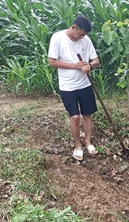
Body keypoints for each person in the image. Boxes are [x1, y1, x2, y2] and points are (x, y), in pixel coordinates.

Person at [48, 15, 100, 161]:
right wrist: (74, 66)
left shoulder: (85, 40)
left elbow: (96, 60)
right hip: (68, 86)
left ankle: (88, 142)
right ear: (74, 27)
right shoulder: (57, 38)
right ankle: (78, 145)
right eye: (81, 34)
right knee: (75, 116)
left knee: (88, 114)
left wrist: (90, 66)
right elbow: (52, 62)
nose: (82, 37)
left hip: (85, 85)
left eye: (85, 35)